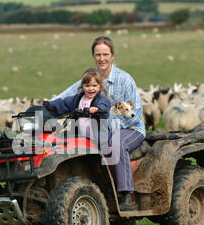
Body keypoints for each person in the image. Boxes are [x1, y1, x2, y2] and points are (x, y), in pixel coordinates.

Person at [54, 36, 146, 211]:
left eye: (105, 54)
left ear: (112, 55)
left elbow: (136, 114)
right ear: (93, 56)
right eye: (98, 55)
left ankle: (126, 195)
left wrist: (106, 124)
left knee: (116, 143)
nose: (101, 58)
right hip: (98, 130)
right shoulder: (90, 80)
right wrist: (45, 106)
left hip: (130, 128)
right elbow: (65, 96)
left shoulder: (125, 80)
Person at [44, 68, 111, 143]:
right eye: (87, 86)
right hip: (80, 135)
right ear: (82, 86)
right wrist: (49, 104)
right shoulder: (77, 99)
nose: (91, 88)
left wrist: (97, 109)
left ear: (100, 86)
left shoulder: (100, 99)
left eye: (94, 85)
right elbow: (63, 103)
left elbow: (104, 106)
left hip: (97, 138)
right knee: (61, 138)